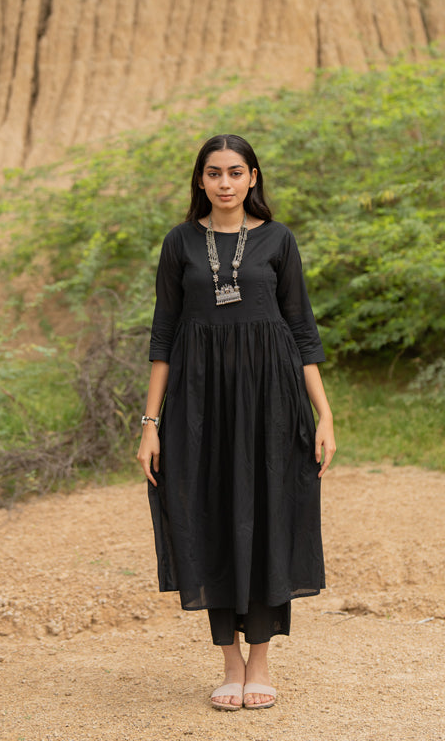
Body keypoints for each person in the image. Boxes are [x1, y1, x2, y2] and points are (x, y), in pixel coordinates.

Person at [137, 134, 336, 711]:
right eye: (213, 173)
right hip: (200, 402)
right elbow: (164, 336)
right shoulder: (180, 244)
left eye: (235, 172)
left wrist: (323, 413)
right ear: (200, 181)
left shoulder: (279, 240)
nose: (224, 183)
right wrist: (151, 422)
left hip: (272, 398)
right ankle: (228, 660)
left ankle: (261, 661)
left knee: (270, 512)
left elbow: (302, 331)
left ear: (253, 177)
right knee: (211, 512)